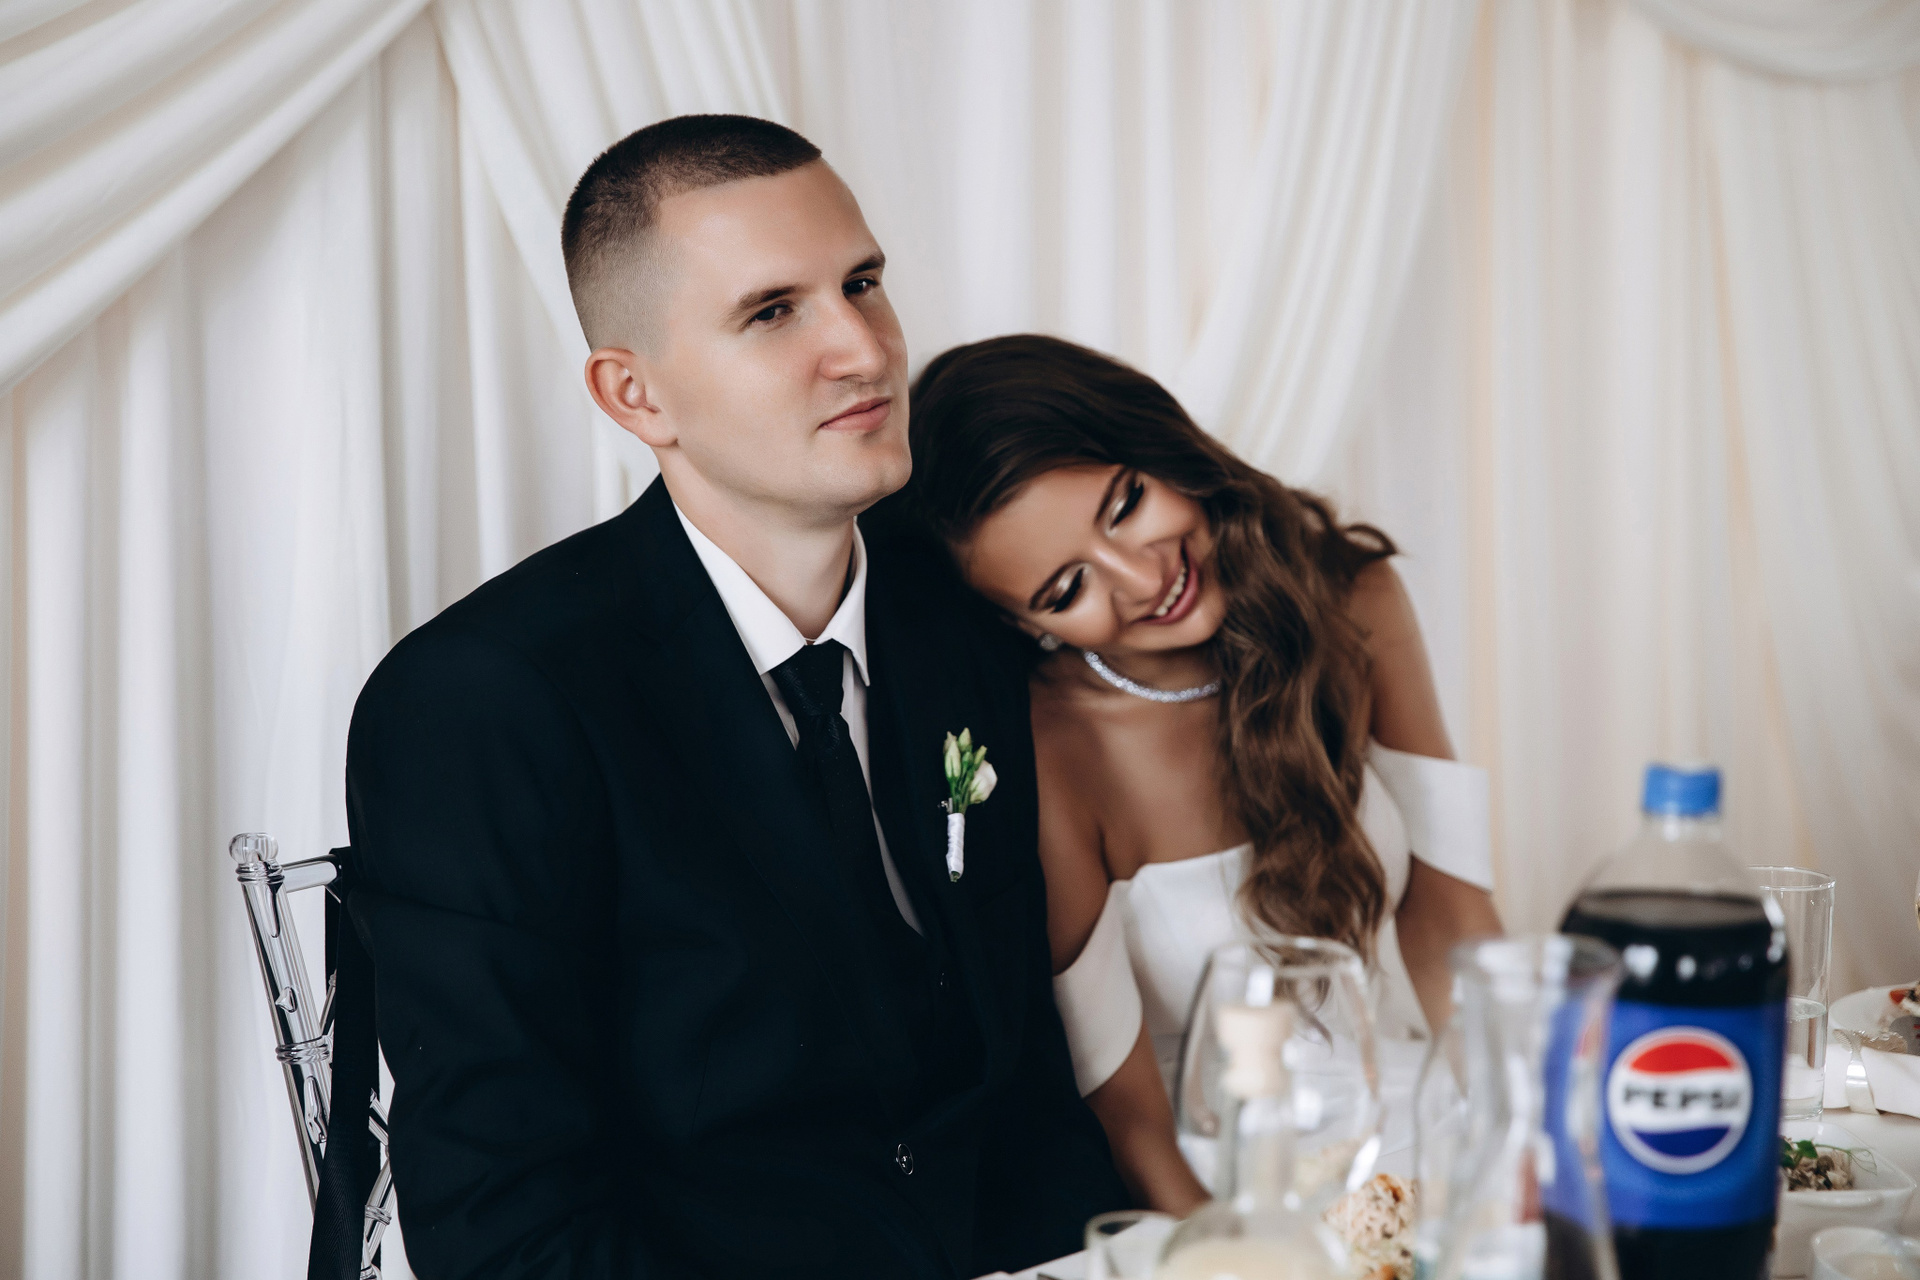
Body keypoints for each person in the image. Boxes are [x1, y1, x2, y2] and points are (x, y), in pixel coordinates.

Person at [340, 117, 1126, 1279]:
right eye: (772, 312)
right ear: (636, 395)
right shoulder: (482, 704)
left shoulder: (953, 627)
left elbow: (1021, 1086)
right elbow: (509, 1231)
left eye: (862, 283)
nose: (863, 348)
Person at [904, 334, 1505, 1214]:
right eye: (1067, 590)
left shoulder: (1353, 596)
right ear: (1025, 625)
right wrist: (1231, 1252)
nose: (1142, 577)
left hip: (1407, 1114)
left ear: (1157, 445)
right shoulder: (1050, 748)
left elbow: (1452, 921)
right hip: (1216, 1179)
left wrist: (1518, 1130)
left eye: (1125, 505)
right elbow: (1129, 1119)